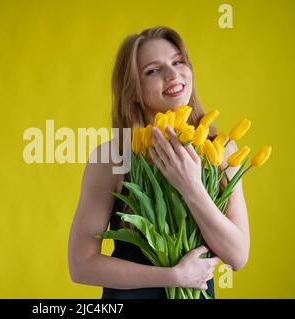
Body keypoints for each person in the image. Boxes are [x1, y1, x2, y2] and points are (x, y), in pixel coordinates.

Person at [67, 26, 250, 299]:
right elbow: (81, 266)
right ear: (134, 91)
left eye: (178, 62)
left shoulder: (220, 151)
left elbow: (237, 256)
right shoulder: (113, 158)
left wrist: (191, 187)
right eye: (152, 70)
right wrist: (174, 277)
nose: (173, 74)